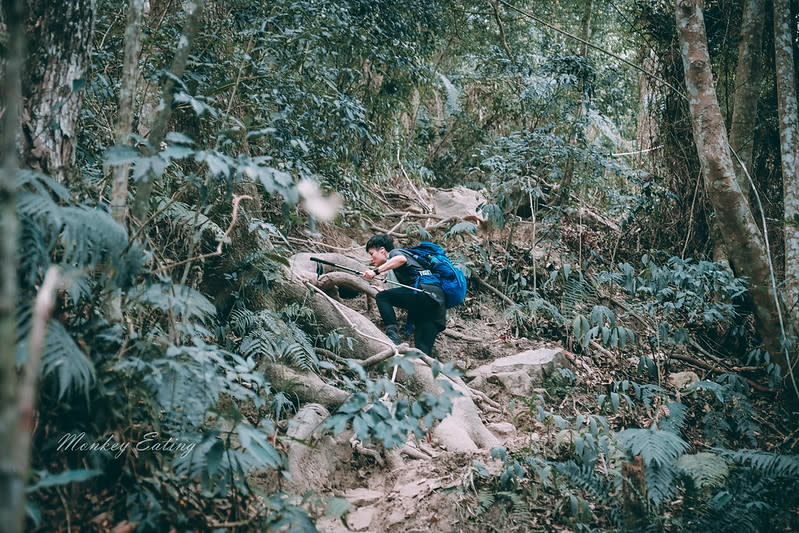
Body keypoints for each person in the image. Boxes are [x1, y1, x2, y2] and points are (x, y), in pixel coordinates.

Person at [362, 234, 446, 356]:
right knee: (423, 350)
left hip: (424, 293)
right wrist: (389, 293)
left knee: (382, 297)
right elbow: (404, 292)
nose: (371, 258)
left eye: (371, 253)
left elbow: (401, 259)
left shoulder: (395, 253)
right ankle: (427, 373)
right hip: (437, 305)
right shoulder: (408, 266)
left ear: (382, 250)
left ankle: (392, 337)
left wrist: (375, 272)